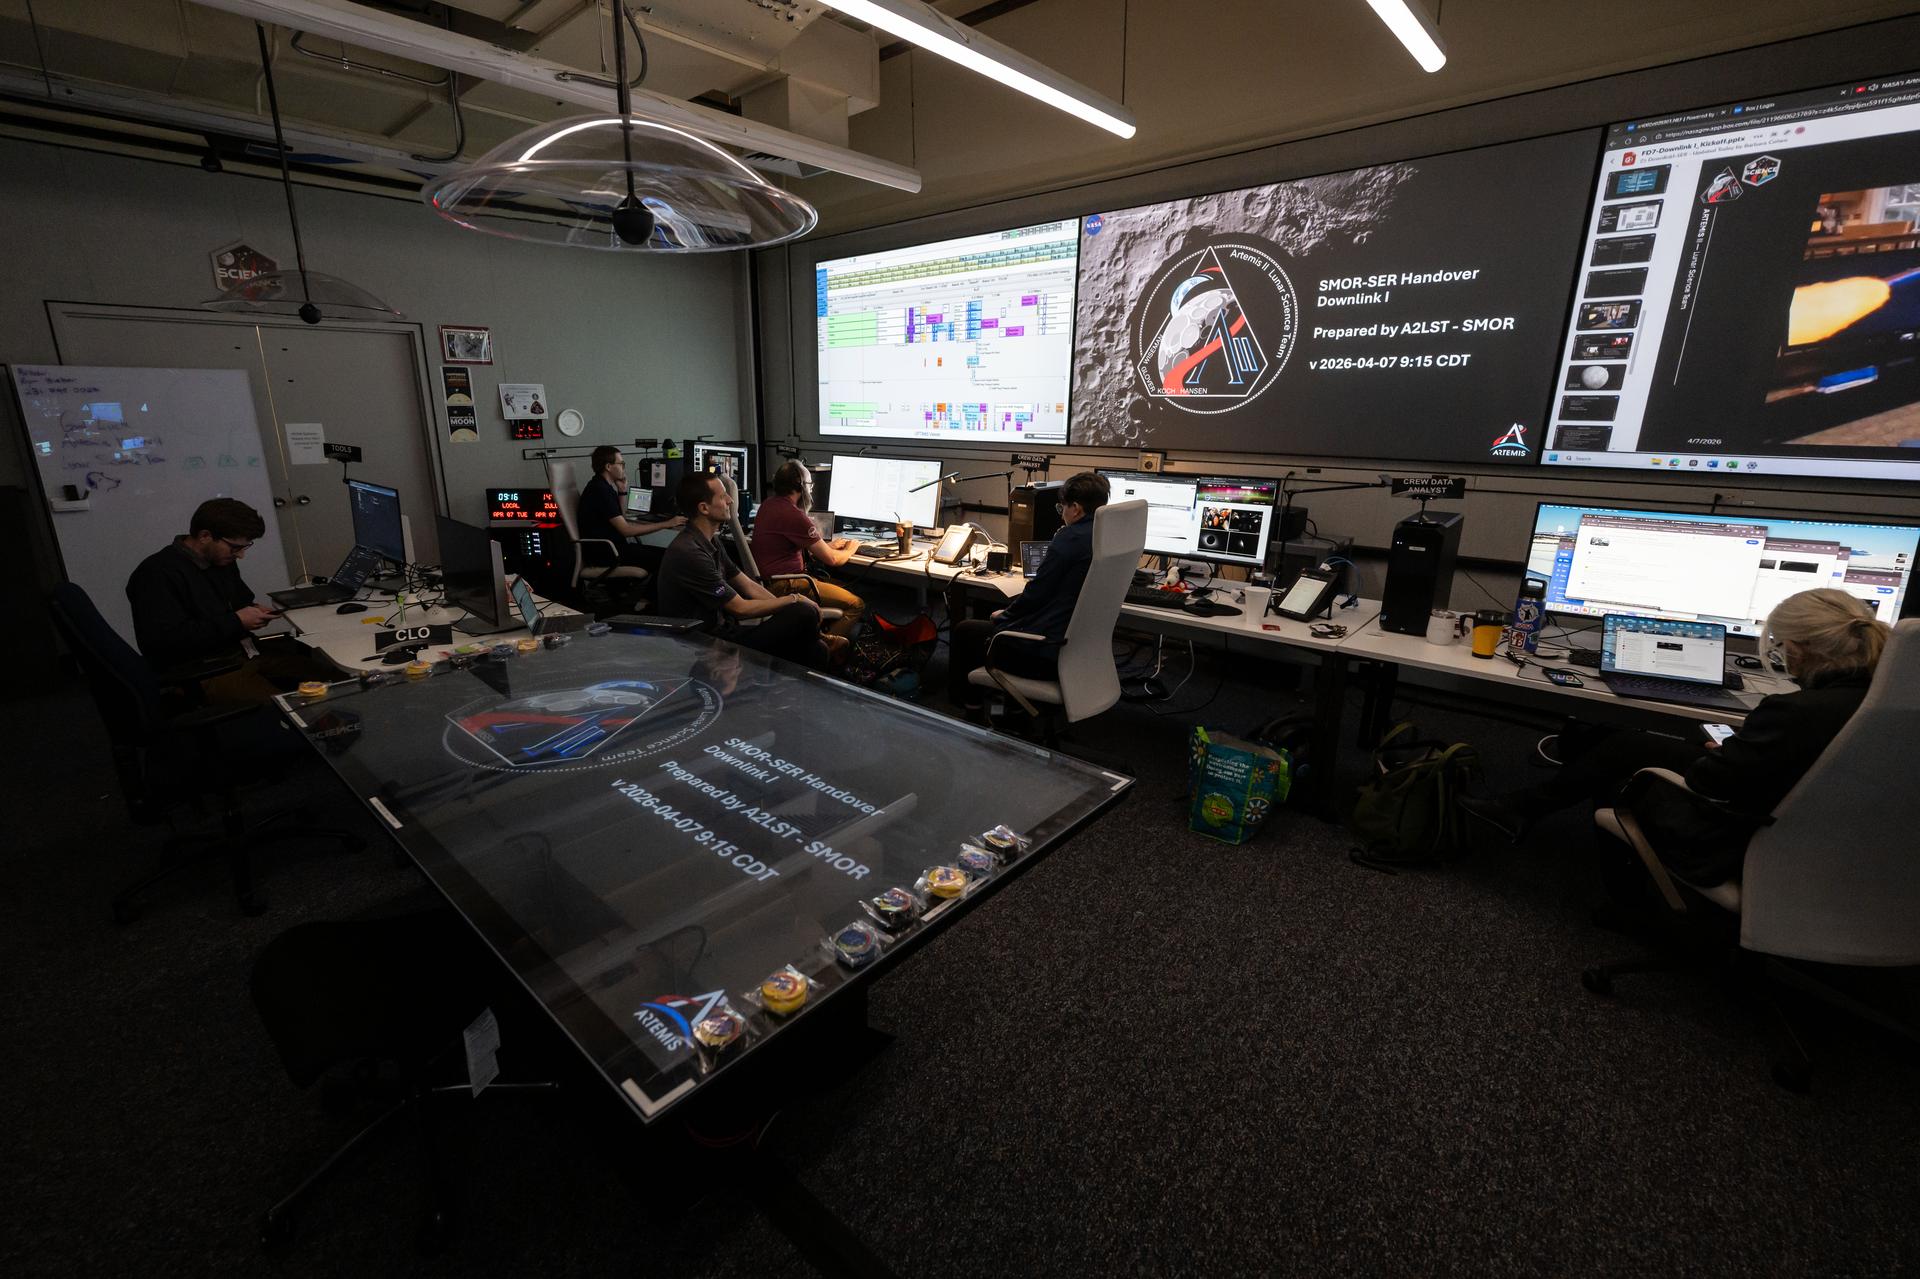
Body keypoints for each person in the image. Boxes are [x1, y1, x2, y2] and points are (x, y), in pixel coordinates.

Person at [1463, 588, 1890, 886]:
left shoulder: (1795, 712)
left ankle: (1629, 898)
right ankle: (1523, 808)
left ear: (1803, 647)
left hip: (1742, 833)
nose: (1780, 653)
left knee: (1623, 755)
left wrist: (1722, 756)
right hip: (1853, 841)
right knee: (1623, 740)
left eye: (1781, 645)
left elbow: (1711, 784)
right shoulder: (1887, 702)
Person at [125, 498, 333, 701]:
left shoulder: (220, 560)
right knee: (292, 710)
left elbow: (237, 601)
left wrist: (253, 611)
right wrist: (236, 621)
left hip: (243, 652)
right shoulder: (156, 574)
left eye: (245, 547)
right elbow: (165, 642)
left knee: (337, 681)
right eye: (235, 547)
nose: (241, 555)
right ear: (205, 536)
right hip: (204, 668)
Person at [947, 470, 1109, 716]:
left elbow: (1035, 595)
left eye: (1062, 507)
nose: (1061, 513)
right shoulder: (1105, 534)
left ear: (1075, 508)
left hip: (1044, 654)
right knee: (986, 617)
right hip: (1081, 653)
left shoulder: (1070, 538)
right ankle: (1006, 705)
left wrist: (1003, 617)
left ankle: (968, 707)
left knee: (966, 630)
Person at [656, 472, 841, 671]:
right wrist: (794, 599)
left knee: (816, 650)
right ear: (704, 508)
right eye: (722, 496)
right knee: (805, 613)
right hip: (704, 643)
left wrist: (785, 609)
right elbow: (740, 609)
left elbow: (748, 585)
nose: (729, 500)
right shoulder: (690, 553)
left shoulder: (710, 541)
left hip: (725, 631)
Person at [748, 461, 867, 639]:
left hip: (769, 583)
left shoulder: (769, 505)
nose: (810, 490)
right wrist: (852, 548)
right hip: (789, 585)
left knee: (844, 586)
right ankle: (826, 651)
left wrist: (826, 546)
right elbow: (833, 560)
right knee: (856, 603)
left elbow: (790, 543)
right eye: (809, 485)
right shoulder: (793, 515)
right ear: (800, 486)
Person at [576, 445, 686, 579]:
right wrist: (667, 523)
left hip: (613, 548)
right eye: (621, 463)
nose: (623, 467)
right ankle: (654, 597)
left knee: (667, 554)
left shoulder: (601, 486)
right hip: (608, 553)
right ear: (608, 466)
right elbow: (626, 530)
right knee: (667, 559)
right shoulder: (600, 491)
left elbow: (621, 517)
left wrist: (622, 491)